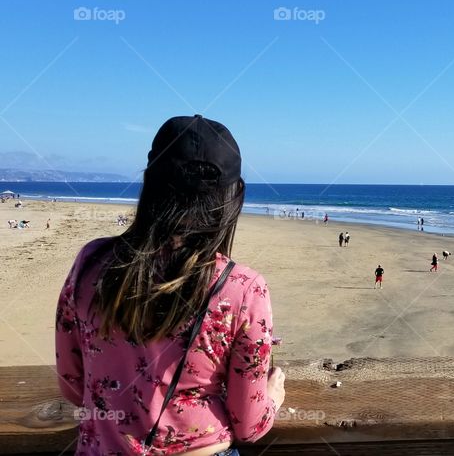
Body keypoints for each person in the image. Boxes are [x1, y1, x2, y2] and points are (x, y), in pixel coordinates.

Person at [54, 115, 283, 456]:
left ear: (150, 184)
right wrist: (273, 397)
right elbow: (248, 425)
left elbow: (74, 385)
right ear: (231, 197)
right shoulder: (243, 288)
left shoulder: (92, 261)